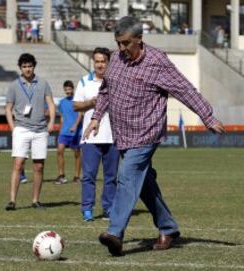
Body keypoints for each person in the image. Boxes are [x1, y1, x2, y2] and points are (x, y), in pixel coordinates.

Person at [83, 16, 225, 256]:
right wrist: (96, 116)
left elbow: (184, 89)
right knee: (145, 184)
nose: (120, 48)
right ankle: (168, 228)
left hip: (147, 132)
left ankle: (115, 233)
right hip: (123, 134)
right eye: (118, 43)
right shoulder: (116, 59)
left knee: (126, 175)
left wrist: (207, 116)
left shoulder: (158, 61)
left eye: (126, 43)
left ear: (139, 38)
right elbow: (105, 89)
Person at [73, 47, 119, 221]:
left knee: (111, 177)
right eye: (97, 61)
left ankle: (108, 208)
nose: (100, 65)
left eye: (103, 61)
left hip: (113, 136)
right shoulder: (85, 81)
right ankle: (87, 209)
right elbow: (76, 106)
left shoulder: (116, 82)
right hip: (90, 137)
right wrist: (92, 103)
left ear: (109, 62)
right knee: (89, 176)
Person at [5, 53, 55, 211]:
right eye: (24, 66)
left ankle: (35, 200)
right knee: (18, 164)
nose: (27, 69)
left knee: (39, 166)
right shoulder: (14, 85)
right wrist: (13, 127)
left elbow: (51, 104)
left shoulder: (43, 83)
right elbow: (8, 108)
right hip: (21, 128)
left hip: (40, 129)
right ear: (20, 68)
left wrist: (52, 121)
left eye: (30, 66)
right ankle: (12, 200)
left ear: (34, 66)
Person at [56, 80, 83, 184]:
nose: (68, 91)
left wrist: (75, 126)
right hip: (64, 132)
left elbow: (80, 115)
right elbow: (62, 117)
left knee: (77, 154)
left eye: (69, 89)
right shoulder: (62, 102)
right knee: (59, 151)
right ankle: (61, 175)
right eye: (66, 89)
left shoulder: (78, 101)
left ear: (73, 89)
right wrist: (61, 128)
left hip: (76, 132)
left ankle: (76, 176)